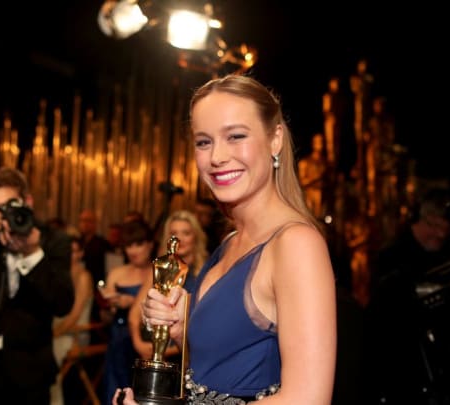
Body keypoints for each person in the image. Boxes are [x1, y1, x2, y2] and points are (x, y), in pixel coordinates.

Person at [115, 74, 337, 404]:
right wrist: (179, 330)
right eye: (204, 142)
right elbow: (213, 373)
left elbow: (308, 398)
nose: (217, 156)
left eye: (235, 136)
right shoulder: (230, 243)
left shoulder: (296, 244)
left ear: (275, 139)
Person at [0, 166, 74, 404]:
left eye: (9, 206)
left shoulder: (53, 240)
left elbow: (63, 303)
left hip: (30, 374)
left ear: (27, 202)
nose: (2, 216)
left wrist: (32, 253)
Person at [365, 187, 450, 404]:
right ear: (426, 219)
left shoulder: (448, 252)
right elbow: (384, 315)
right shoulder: (392, 255)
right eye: (438, 226)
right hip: (401, 358)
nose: (441, 234)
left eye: (446, 229)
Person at [128, 209, 209, 361]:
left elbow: (205, 327)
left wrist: (169, 350)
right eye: (174, 233)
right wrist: (138, 343)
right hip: (151, 350)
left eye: (186, 233)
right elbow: (135, 313)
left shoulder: (207, 273)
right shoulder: (160, 268)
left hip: (187, 356)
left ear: (196, 237)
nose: (180, 238)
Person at [101, 218, 155, 403]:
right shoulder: (116, 273)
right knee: (115, 391)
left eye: (138, 244)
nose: (133, 250)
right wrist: (110, 306)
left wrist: (132, 302)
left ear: (150, 244)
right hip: (117, 341)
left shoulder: (158, 272)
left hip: (143, 342)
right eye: (128, 245)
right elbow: (105, 318)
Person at [51, 228, 94, 405]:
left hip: (76, 333)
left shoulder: (84, 276)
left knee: (48, 354)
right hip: (58, 328)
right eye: (69, 250)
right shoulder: (59, 273)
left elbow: (75, 315)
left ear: (82, 253)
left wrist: (53, 333)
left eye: (76, 251)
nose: (72, 255)